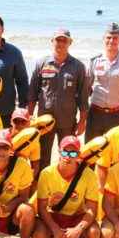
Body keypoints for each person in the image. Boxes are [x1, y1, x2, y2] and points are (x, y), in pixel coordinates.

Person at [28, 29, 89, 172]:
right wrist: (29, 116)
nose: (60, 43)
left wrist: (82, 121)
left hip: (67, 121)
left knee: (68, 155)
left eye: (64, 40)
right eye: (58, 40)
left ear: (70, 43)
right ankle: (41, 187)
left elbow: (83, 98)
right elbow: (32, 94)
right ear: (52, 41)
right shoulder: (41, 63)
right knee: (42, 157)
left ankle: (64, 185)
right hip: (44, 122)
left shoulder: (78, 67)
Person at [32, 136, 101, 238]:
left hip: (76, 216)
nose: (68, 157)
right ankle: (54, 236)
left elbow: (92, 209)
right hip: (53, 215)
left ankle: (75, 237)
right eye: (65, 152)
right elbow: (42, 208)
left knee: (94, 234)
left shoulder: (89, 175)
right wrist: (55, 229)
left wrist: (78, 229)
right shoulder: (47, 173)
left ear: (78, 155)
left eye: (73, 153)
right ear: (59, 152)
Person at [85, 22, 119, 141]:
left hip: (117, 114)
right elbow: (86, 87)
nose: (111, 41)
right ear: (103, 39)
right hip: (95, 114)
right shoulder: (95, 60)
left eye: (115, 38)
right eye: (108, 37)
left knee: (114, 151)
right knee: (91, 152)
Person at [9, 108, 41, 181]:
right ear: (11, 122)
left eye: (23, 122)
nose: (19, 125)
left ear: (29, 123)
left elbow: (35, 166)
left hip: (19, 175)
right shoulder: (3, 136)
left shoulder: (32, 140)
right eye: (16, 121)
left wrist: (27, 181)